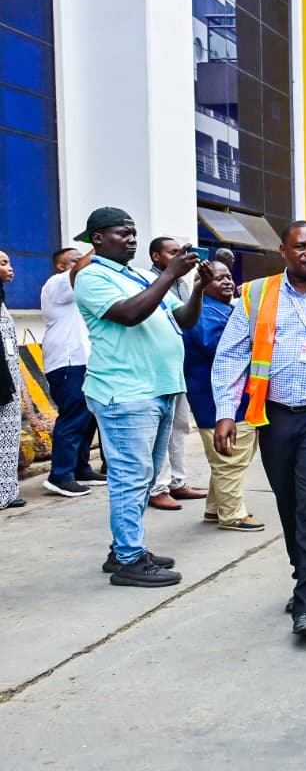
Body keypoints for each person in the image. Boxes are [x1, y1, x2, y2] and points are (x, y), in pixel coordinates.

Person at [211, 220, 306, 638]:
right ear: (284, 250)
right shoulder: (256, 294)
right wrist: (227, 411)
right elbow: (231, 355)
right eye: (303, 247)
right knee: (287, 498)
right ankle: (303, 574)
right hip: (274, 414)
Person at [72, 207, 213, 586]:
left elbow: (181, 320)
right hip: (126, 393)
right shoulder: (92, 277)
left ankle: (125, 549)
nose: (132, 239)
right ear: (97, 238)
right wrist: (170, 274)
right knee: (130, 478)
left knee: (144, 477)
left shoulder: (134, 276)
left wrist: (197, 287)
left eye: (134, 233)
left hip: (159, 389)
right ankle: (130, 560)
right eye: (123, 233)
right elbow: (130, 315)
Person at [182, 261, 264, 532]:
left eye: (228, 277)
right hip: (218, 401)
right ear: (203, 283)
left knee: (229, 457)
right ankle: (232, 515)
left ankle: (215, 509)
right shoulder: (205, 314)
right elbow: (224, 350)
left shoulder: (225, 309)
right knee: (231, 458)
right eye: (218, 279)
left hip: (233, 399)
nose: (227, 282)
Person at [147, 237, 207, 510]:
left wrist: (200, 288)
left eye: (182, 251)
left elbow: (187, 320)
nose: (180, 256)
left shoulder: (182, 283)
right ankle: (157, 487)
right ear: (156, 257)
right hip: (155, 367)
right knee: (159, 430)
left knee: (180, 425)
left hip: (180, 364)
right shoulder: (147, 282)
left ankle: (177, 482)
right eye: (173, 252)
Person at [40, 247, 104, 497]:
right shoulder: (57, 284)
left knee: (88, 417)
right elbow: (78, 271)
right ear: (60, 266)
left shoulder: (81, 291)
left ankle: (80, 467)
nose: (83, 263)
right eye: (75, 260)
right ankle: (60, 475)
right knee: (73, 416)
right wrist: (100, 245)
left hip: (86, 360)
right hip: (67, 361)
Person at [0, 252, 23, 509]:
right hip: (3, 381)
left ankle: (6, 492)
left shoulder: (2, 299)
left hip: (9, 377)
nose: (10, 268)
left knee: (8, 435)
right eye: (3, 264)